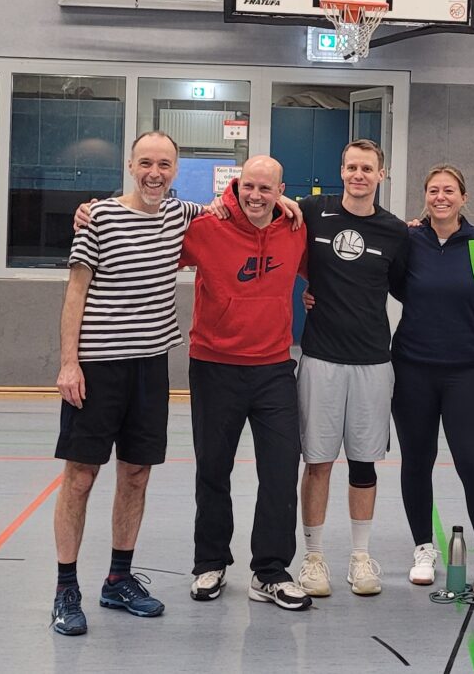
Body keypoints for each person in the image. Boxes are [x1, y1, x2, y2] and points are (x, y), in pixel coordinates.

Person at [52, 131, 202, 635]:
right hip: (97, 367)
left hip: (150, 367)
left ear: (176, 170)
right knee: (80, 477)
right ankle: (65, 588)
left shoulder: (182, 216)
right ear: (131, 166)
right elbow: (76, 292)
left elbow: (242, 205)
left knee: (136, 474)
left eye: (164, 164)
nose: (155, 172)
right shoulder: (98, 217)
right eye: (146, 163)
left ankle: (118, 578)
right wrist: (69, 363)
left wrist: (290, 202)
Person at [180, 155, 310, 610]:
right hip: (214, 365)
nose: (255, 196)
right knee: (213, 469)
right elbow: (149, 239)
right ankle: (210, 563)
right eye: (248, 186)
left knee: (279, 471)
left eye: (266, 189)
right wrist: (91, 214)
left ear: (281, 191)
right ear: (235, 186)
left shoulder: (296, 227)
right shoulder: (205, 227)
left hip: (274, 367)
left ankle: (270, 571)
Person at [296, 139, 409, 598]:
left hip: (372, 361)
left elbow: (407, 286)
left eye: (368, 168)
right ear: (340, 171)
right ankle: (314, 557)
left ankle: (360, 557)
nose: (359, 175)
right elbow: (254, 203)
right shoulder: (311, 211)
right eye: (351, 167)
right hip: (321, 357)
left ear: (381, 175)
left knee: (364, 463)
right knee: (318, 461)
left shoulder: (396, 231)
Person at [391, 165, 474, 595]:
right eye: (433, 190)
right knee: (416, 462)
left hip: (466, 371)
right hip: (413, 366)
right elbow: (394, 286)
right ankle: (423, 547)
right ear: (425, 196)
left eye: (449, 190)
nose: (441, 196)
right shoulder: (409, 240)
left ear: (463, 196)